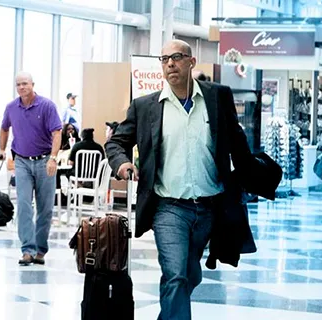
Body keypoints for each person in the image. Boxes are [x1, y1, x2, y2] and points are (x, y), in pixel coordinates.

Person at [105, 40, 259, 320]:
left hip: (210, 204)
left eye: (176, 57)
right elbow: (115, 143)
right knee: (175, 274)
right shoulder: (145, 107)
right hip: (169, 207)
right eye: (164, 59)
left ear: (191, 61)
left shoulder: (217, 97)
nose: (170, 64)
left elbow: (236, 140)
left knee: (189, 274)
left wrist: (253, 175)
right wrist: (123, 163)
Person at [0, 72, 62, 266]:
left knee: (45, 208)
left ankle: (40, 250)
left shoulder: (47, 106)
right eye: (18, 84)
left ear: (33, 84)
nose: (21, 87)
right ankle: (27, 249)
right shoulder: (11, 107)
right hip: (22, 162)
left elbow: (57, 133)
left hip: (45, 161)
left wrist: (53, 158)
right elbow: (4, 128)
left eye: (25, 84)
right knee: (24, 205)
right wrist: (2, 149)